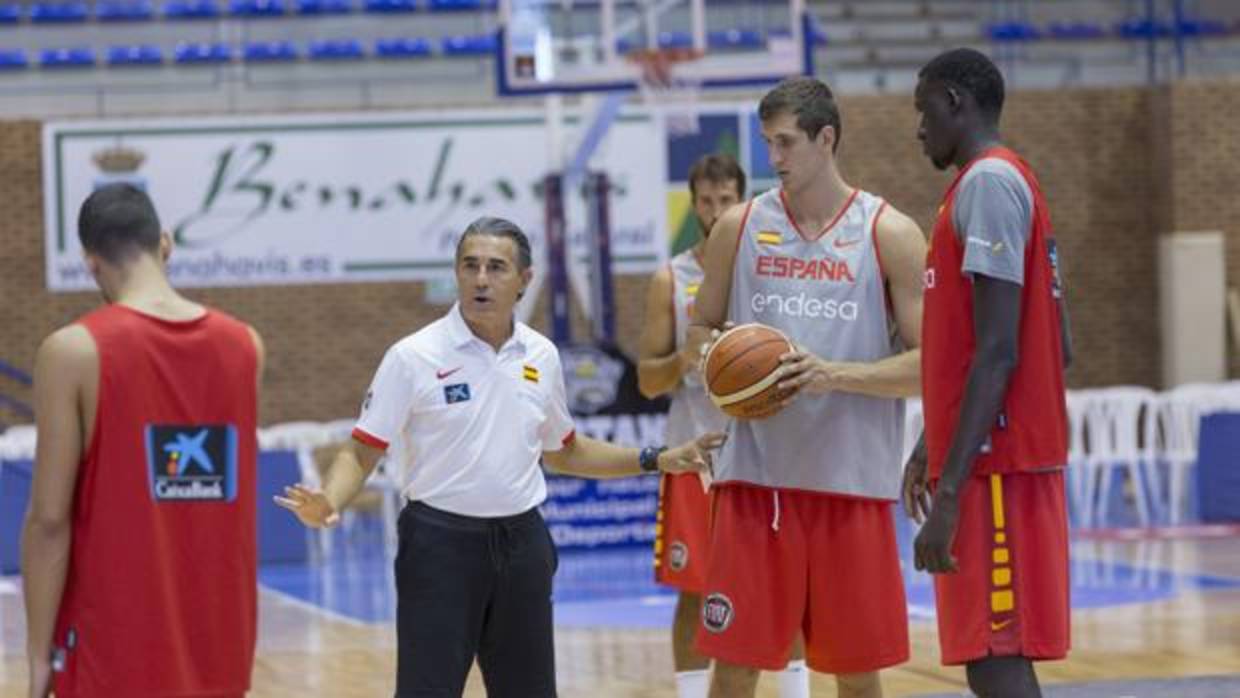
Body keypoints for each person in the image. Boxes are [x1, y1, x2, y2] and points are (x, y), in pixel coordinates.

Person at [276, 216, 725, 698]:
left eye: (495, 267)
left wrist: (657, 458)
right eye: (470, 266)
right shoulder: (413, 356)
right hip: (439, 545)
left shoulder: (542, 356)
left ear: (524, 280)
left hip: (522, 545)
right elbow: (364, 447)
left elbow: (565, 451)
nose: (481, 279)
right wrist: (332, 498)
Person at [687, 77, 928, 698]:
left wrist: (835, 374)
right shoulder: (737, 228)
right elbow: (699, 333)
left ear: (827, 138)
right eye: (769, 143)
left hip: (850, 487)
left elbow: (933, 364)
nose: (776, 158)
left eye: (787, 142)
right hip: (755, 484)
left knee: (855, 671)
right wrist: (719, 364)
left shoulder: (890, 234)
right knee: (735, 666)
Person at [22, 183, 265, 698]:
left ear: (91, 263)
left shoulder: (73, 351)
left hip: (110, 649)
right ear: (167, 242)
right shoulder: (246, 345)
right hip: (222, 647)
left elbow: (48, 520)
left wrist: (39, 656)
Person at [904, 48, 1072, 698]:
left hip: (997, 468)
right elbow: (1056, 342)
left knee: (997, 660)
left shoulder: (989, 185)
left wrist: (950, 493)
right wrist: (932, 446)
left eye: (923, 111)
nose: (919, 129)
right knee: (991, 658)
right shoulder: (1002, 183)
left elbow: (1002, 351)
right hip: (991, 458)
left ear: (954, 100)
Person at [638, 154, 811, 698]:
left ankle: (797, 691)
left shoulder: (775, 268)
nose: (716, 211)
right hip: (697, 453)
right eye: (706, 201)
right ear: (694, 204)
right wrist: (683, 360)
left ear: (744, 200)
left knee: (790, 585)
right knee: (695, 591)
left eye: (726, 199)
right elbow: (646, 380)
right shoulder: (671, 277)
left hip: (771, 451)